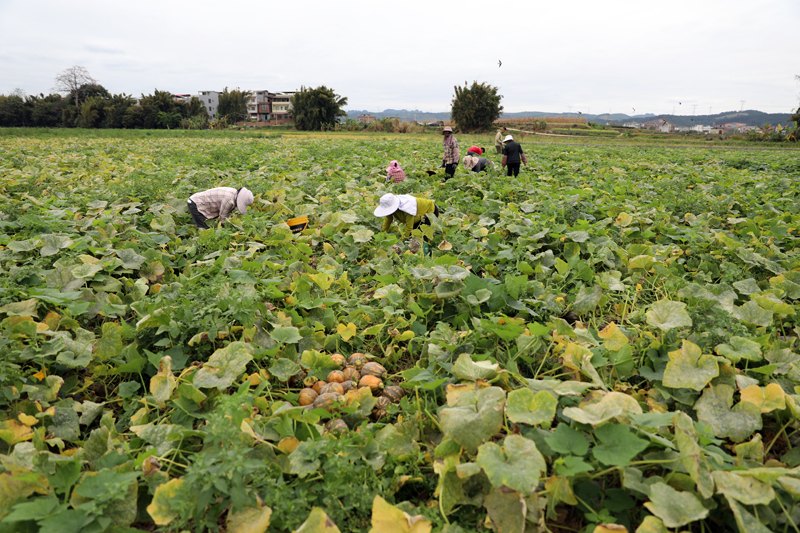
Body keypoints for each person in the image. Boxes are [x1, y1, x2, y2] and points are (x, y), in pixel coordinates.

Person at [187, 186, 254, 229]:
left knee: (209, 225)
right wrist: (228, 227)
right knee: (205, 228)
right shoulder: (229, 201)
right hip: (196, 203)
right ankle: (202, 243)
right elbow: (223, 217)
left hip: (200, 201)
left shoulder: (234, 192)